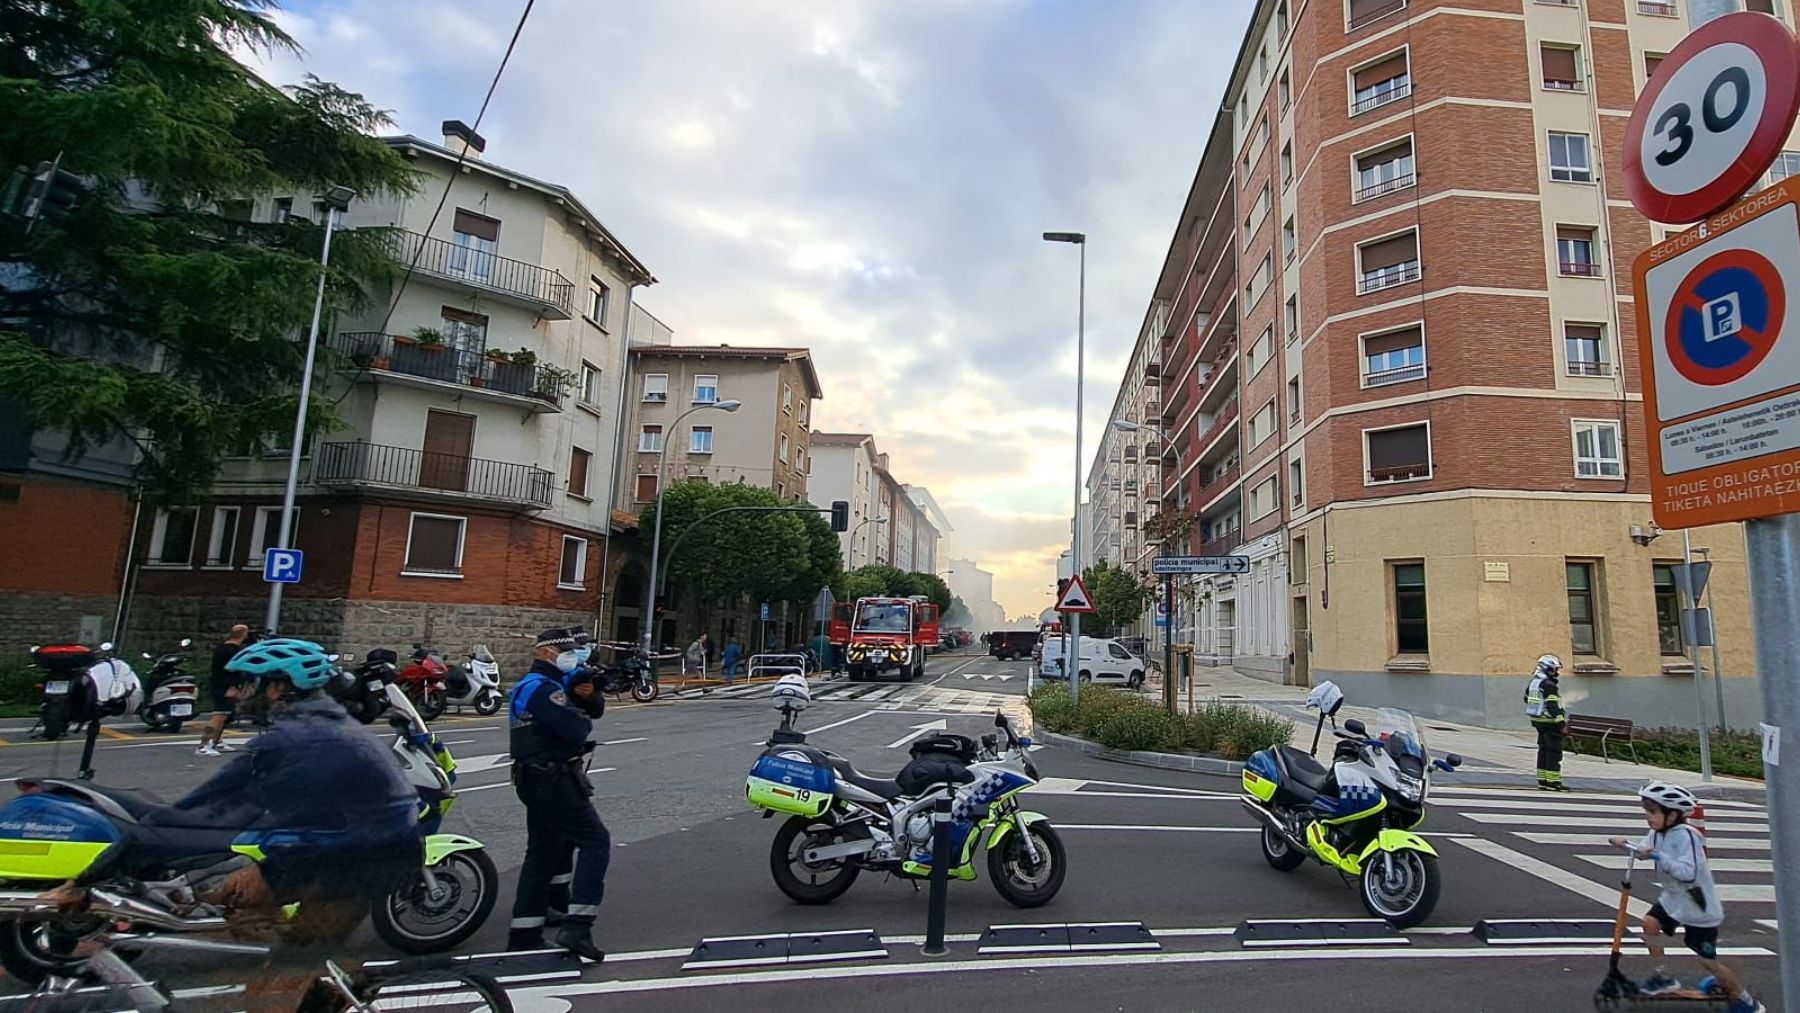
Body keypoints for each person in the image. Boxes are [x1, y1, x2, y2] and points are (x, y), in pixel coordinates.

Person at [169, 638, 419, 938]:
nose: (232, 693)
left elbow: (224, 800)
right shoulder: (309, 727)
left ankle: (306, 959)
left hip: (363, 858)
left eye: (244, 685)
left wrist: (152, 835)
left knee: (295, 952)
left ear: (277, 688)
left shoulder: (301, 738)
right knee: (236, 903)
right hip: (332, 846)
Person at [1611, 782, 1762, 1013]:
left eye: (1653, 812)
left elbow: (1688, 873)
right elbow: (1644, 850)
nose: (1648, 817)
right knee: (1650, 923)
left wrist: (1659, 857)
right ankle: (1662, 977)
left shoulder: (1687, 836)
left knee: (1707, 960)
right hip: (1674, 899)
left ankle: (1747, 1001)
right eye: (1646, 811)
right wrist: (1626, 845)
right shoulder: (1657, 833)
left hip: (1698, 905)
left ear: (1672, 815)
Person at [507, 628, 609, 961]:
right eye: (565, 651)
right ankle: (578, 926)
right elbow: (576, 728)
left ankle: (525, 933)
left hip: (535, 777)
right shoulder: (544, 689)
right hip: (552, 777)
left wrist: (586, 695)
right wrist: (576, 704)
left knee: (542, 851)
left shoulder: (536, 685)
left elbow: (593, 709)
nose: (571, 656)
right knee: (595, 840)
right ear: (545, 653)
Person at [198, 624, 252, 756]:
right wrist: (233, 687)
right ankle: (203, 745)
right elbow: (232, 671)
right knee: (219, 716)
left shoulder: (221, 648)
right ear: (244, 634)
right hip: (226, 687)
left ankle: (216, 742)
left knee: (225, 716)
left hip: (219, 685)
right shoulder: (234, 651)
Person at [1524, 653, 1567, 792]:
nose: (1557, 672)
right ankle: (1553, 782)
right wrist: (1561, 723)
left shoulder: (1534, 683)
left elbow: (1526, 698)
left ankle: (1542, 781)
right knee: (1553, 753)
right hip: (1550, 722)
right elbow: (1552, 705)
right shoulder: (1549, 685)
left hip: (1537, 721)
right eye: (1555, 669)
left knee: (1543, 751)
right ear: (1548, 668)